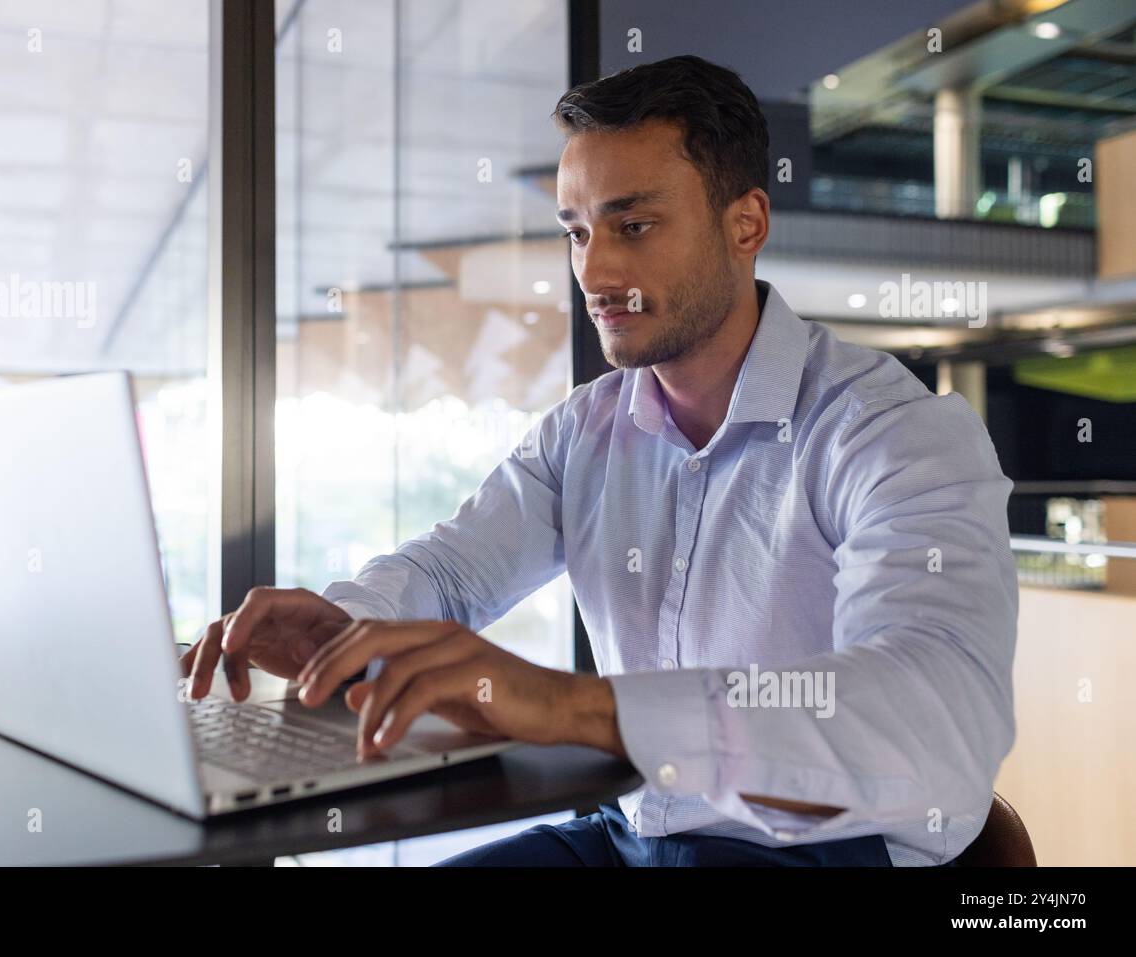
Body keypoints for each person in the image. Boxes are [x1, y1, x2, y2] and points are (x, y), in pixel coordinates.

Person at [182, 54, 1017, 867]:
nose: (595, 270)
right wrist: (352, 627)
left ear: (746, 223)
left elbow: (933, 716)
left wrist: (570, 705)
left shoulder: (892, 432)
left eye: (634, 225)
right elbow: (451, 572)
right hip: (631, 835)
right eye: (577, 232)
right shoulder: (585, 430)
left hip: (816, 850)